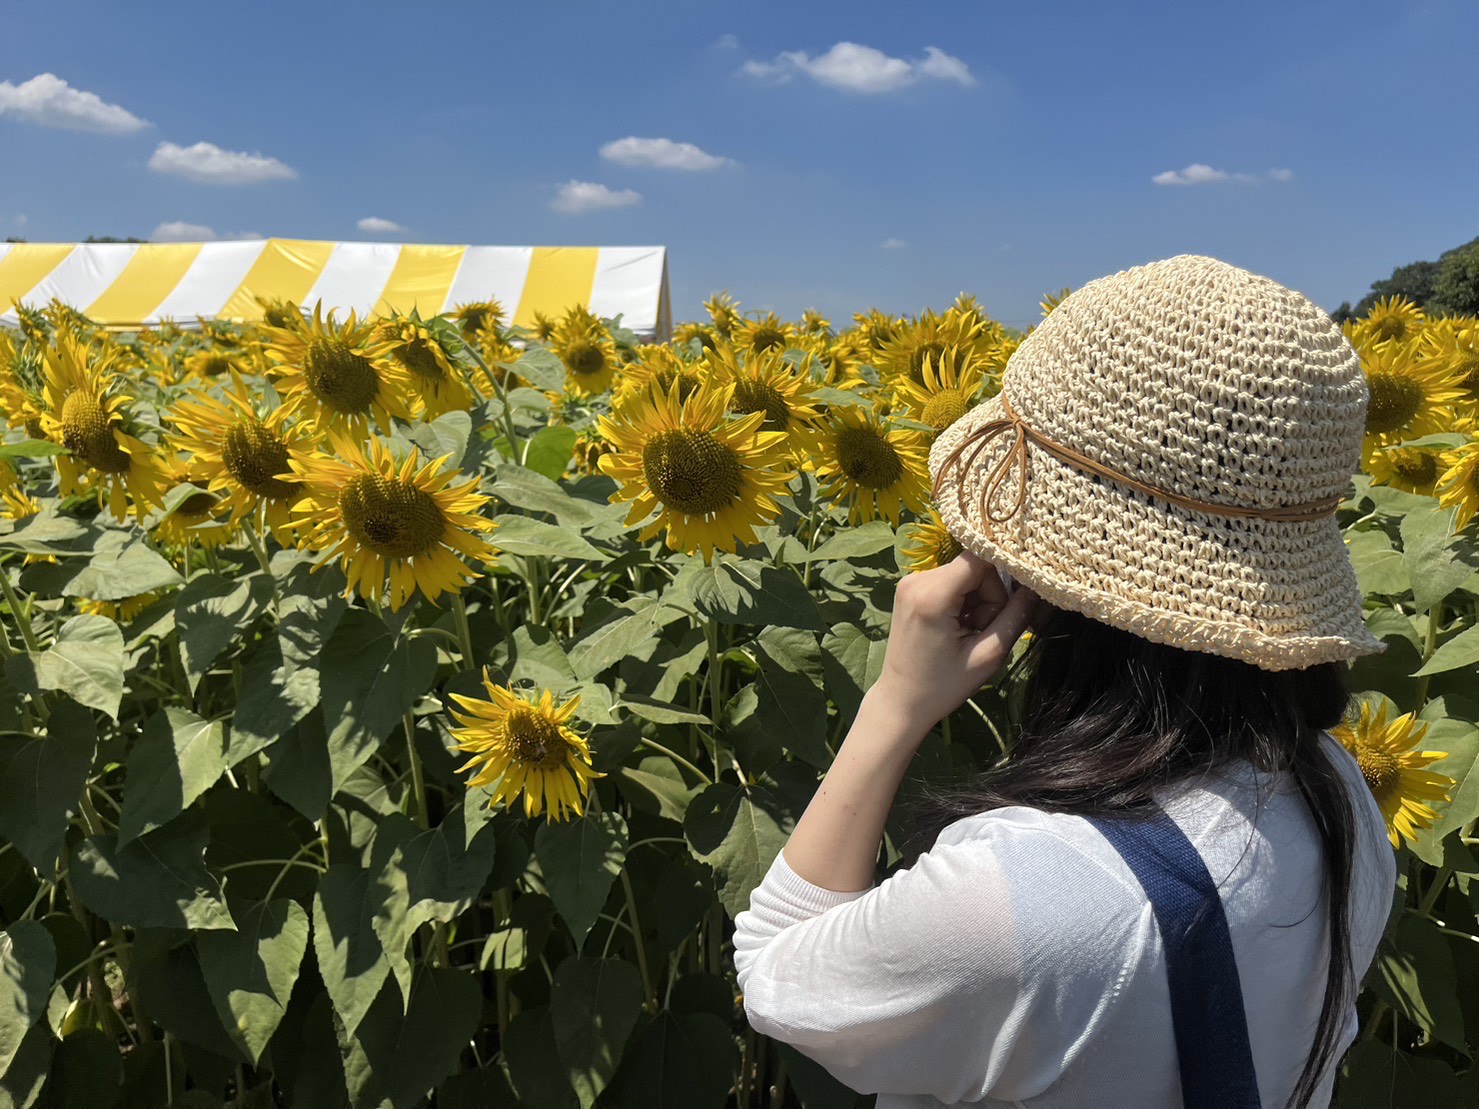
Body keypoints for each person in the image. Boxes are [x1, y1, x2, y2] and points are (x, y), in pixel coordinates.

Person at [732, 255, 1397, 1109]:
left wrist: (895, 701)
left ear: (1037, 575)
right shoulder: (1339, 795)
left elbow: (778, 978)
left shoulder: (1017, 901)